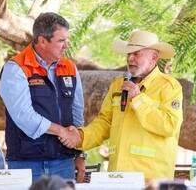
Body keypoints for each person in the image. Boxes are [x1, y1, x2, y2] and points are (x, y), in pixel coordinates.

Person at [61, 30, 183, 181]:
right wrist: (81, 137)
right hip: (117, 176)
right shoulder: (118, 84)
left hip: (151, 180)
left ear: (154, 58)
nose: (130, 58)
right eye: (128, 54)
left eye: (136, 53)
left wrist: (138, 99)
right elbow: (105, 122)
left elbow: (169, 126)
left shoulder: (169, 86)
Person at [0, 12, 85, 182]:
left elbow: (77, 114)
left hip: (63, 162)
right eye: (61, 41)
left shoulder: (70, 67)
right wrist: (61, 131)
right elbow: (24, 116)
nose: (66, 45)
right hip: (26, 164)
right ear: (42, 41)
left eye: (66, 40)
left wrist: (79, 152)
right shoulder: (15, 68)